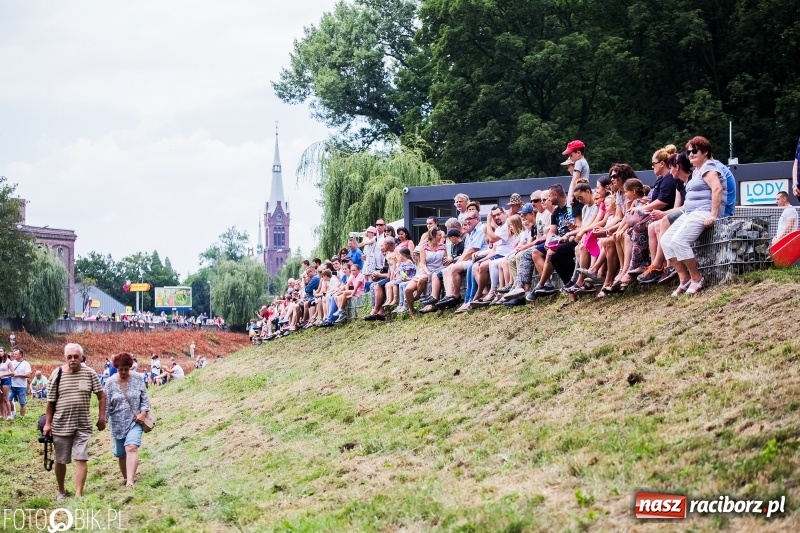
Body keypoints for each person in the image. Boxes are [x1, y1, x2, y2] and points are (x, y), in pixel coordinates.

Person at [660, 137, 726, 296]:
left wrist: (713, 215)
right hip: (690, 213)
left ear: (705, 152)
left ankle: (697, 278)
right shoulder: (696, 171)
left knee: (679, 241)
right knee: (666, 241)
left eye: (694, 151)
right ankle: (684, 279)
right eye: (688, 151)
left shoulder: (709, 167)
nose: (690, 154)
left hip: (703, 212)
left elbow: (717, 189)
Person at [43, 343, 106, 500]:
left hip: (83, 424)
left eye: (76, 356)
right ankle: (61, 491)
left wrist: (101, 417)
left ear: (81, 357)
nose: (72, 359)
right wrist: (48, 423)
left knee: (81, 457)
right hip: (61, 424)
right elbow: (50, 402)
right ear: (65, 358)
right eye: (69, 357)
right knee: (61, 460)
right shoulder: (57, 374)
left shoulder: (89, 373)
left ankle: (78, 495)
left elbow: (101, 396)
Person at [104, 352, 150, 488]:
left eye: (126, 369)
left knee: (131, 447)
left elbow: (145, 399)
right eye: (120, 369)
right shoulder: (110, 382)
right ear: (116, 368)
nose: (123, 372)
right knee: (121, 454)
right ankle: (126, 477)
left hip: (135, 421)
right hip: (117, 423)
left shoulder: (138, 378)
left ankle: (130, 481)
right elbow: (106, 405)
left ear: (130, 367)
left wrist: (143, 413)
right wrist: (103, 420)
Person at [10, 347, 31, 418]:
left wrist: (17, 375)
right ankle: (13, 413)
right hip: (12, 386)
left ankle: (22, 417)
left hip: (21, 386)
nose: (14, 355)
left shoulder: (26, 364)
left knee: (22, 403)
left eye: (15, 354)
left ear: (20, 355)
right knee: (8, 400)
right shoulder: (12, 363)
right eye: (13, 354)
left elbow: (28, 375)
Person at [0, 347, 12, 419]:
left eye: (1, 351)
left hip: (6, 380)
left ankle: (9, 415)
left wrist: (3, 374)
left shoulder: (8, 361)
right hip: (0, 380)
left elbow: (13, 373)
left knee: (5, 398)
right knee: (0, 399)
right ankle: (2, 415)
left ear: (4, 352)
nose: (0, 353)